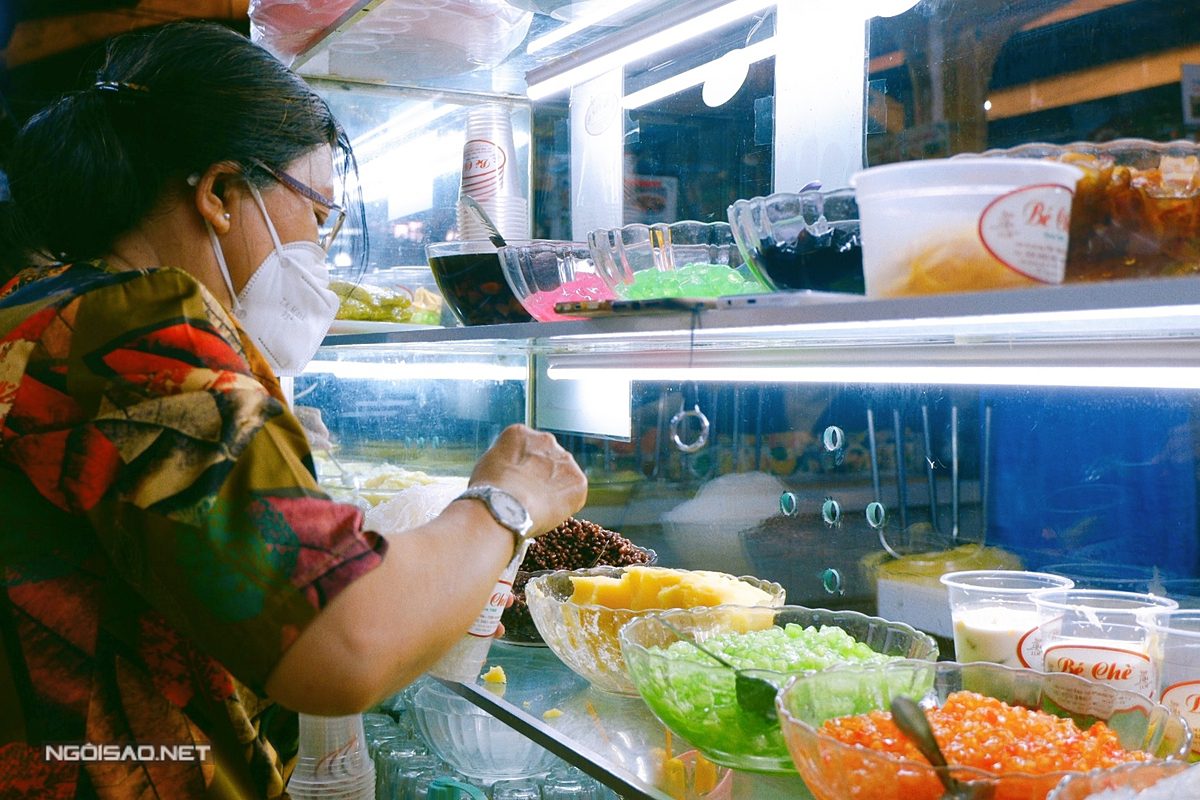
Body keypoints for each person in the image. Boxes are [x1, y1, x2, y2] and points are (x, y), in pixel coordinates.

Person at [0, 22, 587, 799]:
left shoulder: (35, 308)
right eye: (317, 215)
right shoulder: (142, 328)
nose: (321, 251)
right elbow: (342, 649)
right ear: (218, 194)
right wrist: (505, 502)